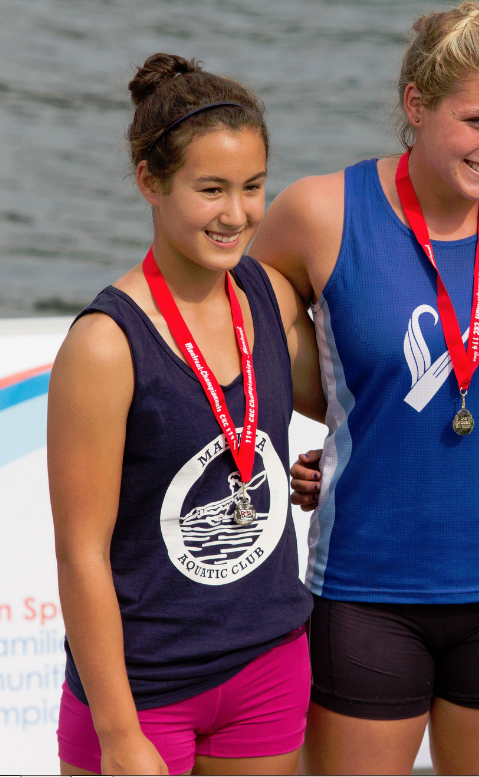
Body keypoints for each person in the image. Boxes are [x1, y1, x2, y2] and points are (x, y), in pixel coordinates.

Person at [249, 2, 479, 773]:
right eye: (477, 120)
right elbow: (243, 321)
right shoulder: (322, 211)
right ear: (416, 105)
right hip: (368, 588)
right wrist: (347, 428)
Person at [48, 53, 325, 776]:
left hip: (268, 663)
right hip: (143, 688)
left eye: (253, 186)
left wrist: (332, 466)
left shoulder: (270, 295)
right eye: (210, 190)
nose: (237, 214)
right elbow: (80, 553)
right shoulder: (105, 345)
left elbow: (348, 404)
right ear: (150, 182)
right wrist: (118, 734)